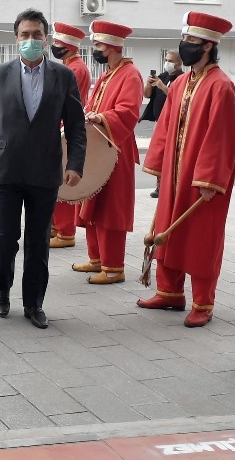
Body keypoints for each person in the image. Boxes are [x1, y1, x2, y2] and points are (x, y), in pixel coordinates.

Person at [0, 8, 86, 329]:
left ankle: (34, 303)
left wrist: (75, 163)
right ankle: (2, 290)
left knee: (38, 242)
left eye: (37, 35)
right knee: (6, 237)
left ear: (46, 39)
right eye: (25, 35)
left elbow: (77, 125)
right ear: (16, 39)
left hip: (45, 172)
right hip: (5, 171)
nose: (31, 40)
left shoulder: (63, 76)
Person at [138, 13, 235, 327]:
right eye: (185, 40)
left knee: (200, 239)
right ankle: (169, 292)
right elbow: (167, 124)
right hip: (174, 173)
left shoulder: (221, 86)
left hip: (202, 180)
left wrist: (209, 180)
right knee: (168, 227)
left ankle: (203, 303)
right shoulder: (181, 82)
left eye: (192, 41)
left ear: (208, 45)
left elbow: (220, 136)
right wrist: (157, 162)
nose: (185, 46)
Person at [71, 20, 143, 284]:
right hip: (100, 148)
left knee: (111, 209)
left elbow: (129, 112)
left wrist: (101, 118)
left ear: (112, 46)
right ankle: (97, 259)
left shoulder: (130, 74)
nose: (95, 49)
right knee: (93, 202)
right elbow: (93, 104)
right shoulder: (107, 74)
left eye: (98, 44)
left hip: (116, 149)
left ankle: (114, 268)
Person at [48, 22, 91, 249]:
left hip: (64, 129)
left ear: (67, 46)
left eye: (57, 43)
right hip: (62, 127)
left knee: (62, 183)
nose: (54, 47)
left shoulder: (74, 69)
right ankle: (56, 227)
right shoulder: (72, 65)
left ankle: (65, 232)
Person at [140, 50, 184, 199]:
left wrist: (161, 86)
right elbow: (146, 95)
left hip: (174, 123)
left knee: (170, 155)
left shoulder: (182, 78)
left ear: (179, 63)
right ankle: (159, 186)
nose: (168, 63)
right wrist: (149, 84)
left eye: (171, 61)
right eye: (166, 60)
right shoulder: (163, 76)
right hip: (159, 122)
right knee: (159, 155)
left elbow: (178, 96)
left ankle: (170, 185)